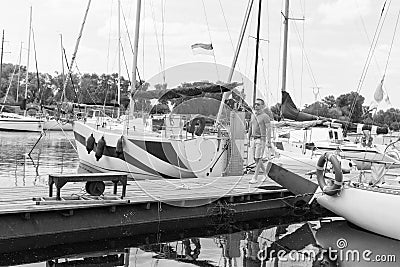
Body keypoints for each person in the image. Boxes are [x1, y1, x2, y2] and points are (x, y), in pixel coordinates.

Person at [248, 98, 272, 184]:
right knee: (255, 159)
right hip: (253, 139)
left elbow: (269, 129)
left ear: (263, 106)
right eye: (255, 104)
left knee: (259, 158)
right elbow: (251, 127)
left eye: (258, 104)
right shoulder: (253, 115)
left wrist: (269, 141)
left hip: (261, 139)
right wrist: (248, 138)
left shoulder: (265, 116)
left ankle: (255, 178)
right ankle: (266, 174)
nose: (256, 106)